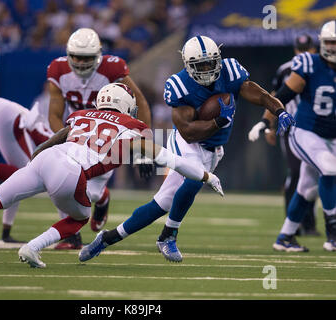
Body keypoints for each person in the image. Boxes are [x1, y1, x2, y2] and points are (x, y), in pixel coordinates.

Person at [0, 83, 223, 268]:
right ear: (126, 107)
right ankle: (32, 247)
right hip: (71, 171)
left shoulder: (82, 115)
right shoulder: (132, 127)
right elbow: (169, 158)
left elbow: (56, 138)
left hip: (47, 158)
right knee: (79, 219)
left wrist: (35, 161)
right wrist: (206, 176)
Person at [79, 35, 295, 263]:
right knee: (193, 179)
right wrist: (219, 121)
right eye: (199, 65)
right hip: (187, 143)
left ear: (218, 59)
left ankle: (107, 238)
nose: (206, 69)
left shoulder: (231, 71)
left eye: (210, 63)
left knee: (160, 205)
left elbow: (258, 93)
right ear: (188, 65)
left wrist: (279, 110)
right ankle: (168, 235)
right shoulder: (179, 85)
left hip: (214, 148)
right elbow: (188, 132)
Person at [47, 27, 152, 249]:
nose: (82, 63)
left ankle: (102, 197)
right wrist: (65, 141)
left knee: (90, 193)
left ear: (99, 55)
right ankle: (72, 236)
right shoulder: (58, 70)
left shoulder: (112, 69)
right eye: (77, 56)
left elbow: (140, 102)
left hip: (107, 136)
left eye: (87, 58)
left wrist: (145, 148)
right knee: (60, 180)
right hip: (77, 133)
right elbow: (54, 113)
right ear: (68, 54)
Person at [270, 21, 336, 252]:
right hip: (305, 131)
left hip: (331, 137)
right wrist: (267, 122)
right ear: (321, 43)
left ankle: (285, 237)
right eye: (330, 42)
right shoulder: (310, 63)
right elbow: (283, 94)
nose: (334, 47)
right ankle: (333, 232)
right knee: (329, 169)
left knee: (307, 188)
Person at [248, 34, 319, 236]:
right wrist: (269, 124)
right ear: (295, 50)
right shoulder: (287, 70)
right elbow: (276, 97)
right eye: (300, 49)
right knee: (297, 174)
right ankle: (295, 224)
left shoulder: (323, 67)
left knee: (316, 176)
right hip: (291, 129)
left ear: (314, 49)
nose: (304, 53)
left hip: (318, 129)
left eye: (308, 49)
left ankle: (309, 224)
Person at [0, 97, 53, 242]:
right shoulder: (57, 138)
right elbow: (44, 138)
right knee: (21, 174)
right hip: (5, 115)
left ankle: (4, 230)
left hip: (0, 110)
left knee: (19, 176)